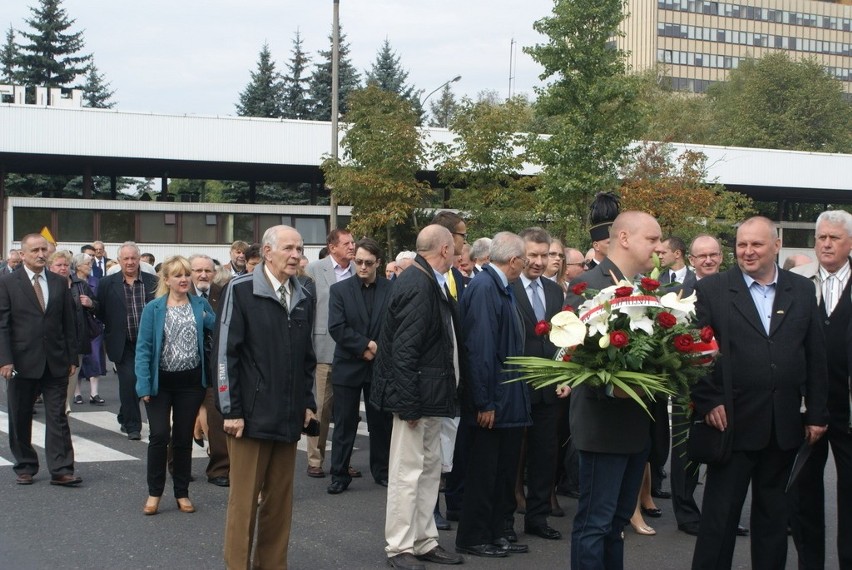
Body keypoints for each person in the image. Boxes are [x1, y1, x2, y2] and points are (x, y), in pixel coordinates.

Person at [691, 216, 828, 570]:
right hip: (730, 425)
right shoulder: (712, 290)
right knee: (719, 521)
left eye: (756, 245)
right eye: (741, 245)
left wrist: (816, 413)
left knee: (771, 521)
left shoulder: (800, 290)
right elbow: (692, 352)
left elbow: (815, 354)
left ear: (777, 246)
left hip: (782, 427)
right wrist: (708, 401)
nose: (747, 252)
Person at [564, 211, 665, 570]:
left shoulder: (645, 287)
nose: (659, 247)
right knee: (595, 524)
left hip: (635, 428)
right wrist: (612, 387)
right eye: (652, 239)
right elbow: (572, 357)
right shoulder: (588, 285)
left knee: (616, 524)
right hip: (602, 428)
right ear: (624, 238)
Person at [215, 225, 318, 569]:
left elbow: (307, 356)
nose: (295, 255)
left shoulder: (303, 291)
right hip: (249, 417)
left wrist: (307, 402)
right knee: (243, 503)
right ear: (268, 252)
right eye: (288, 248)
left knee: (280, 504)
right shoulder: (241, 289)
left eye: (299, 249)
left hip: (288, 415)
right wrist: (230, 410)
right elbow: (225, 353)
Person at [372, 224, 465, 570]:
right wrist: (409, 403)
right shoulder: (418, 284)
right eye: (455, 245)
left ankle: (425, 541)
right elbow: (403, 352)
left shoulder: (428, 280)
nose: (458, 250)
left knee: (428, 471)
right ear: (443, 249)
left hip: (431, 395)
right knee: (407, 473)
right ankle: (399, 547)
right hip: (416, 399)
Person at [455, 232, 532, 559]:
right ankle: (474, 536)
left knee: (501, 473)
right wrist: (484, 402)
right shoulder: (487, 288)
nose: (526, 266)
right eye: (524, 260)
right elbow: (480, 351)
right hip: (495, 402)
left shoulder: (499, 287)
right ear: (513, 261)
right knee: (484, 473)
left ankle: (497, 531)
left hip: (507, 400)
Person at [790, 210, 852, 569]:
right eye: (821, 237)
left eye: (834, 238)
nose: (826, 244)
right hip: (805, 409)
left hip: (848, 409)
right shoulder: (797, 281)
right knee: (803, 496)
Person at [135, 256, 215, 516]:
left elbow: (218, 328)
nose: (184, 279)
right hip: (161, 384)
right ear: (166, 279)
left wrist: (207, 318)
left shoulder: (200, 304)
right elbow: (144, 348)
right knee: (159, 436)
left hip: (191, 384)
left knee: (183, 439)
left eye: (186, 275)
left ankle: (182, 493)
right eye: (178, 275)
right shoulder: (154, 308)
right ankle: (154, 493)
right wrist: (144, 385)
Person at [0, 234, 80, 486]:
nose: (40, 254)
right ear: (22, 254)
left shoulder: (58, 282)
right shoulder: (8, 283)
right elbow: (3, 324)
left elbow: (68, 322)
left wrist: (71, 356)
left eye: (43, 249)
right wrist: (5, 359)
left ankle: (61, 468)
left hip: (55, 360)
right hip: (21, 362)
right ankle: (25, 465)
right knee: (20, 415)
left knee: (57, 416)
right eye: (34, 250)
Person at [511, 228, 569, 543]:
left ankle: (537, 518)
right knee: (510, 457)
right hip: (517, 386)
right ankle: (506, 521)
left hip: (549, 389)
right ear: (520, 255)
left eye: (543, 255)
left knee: (545, 456)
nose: (538, 261)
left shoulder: (555, 291)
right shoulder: (507, 287)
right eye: (532, 255)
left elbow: (561, 338)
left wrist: (563, 376)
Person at [327, 238, 393, 494]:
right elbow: (337, 327)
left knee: (381, 423)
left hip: (379, 367)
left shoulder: (391, 289)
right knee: (344, 423)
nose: (362, 267)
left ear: (378, 262)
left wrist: (377, 349)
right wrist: (365, 345)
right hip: (349, 365)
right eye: (358, 262)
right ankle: (339, 474)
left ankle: (382, 471)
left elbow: (395, 326)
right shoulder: (340, 290)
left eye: (368, 262)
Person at [304, 229, 356, 478]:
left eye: (353, 242)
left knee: (348, 413)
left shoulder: (358, 269)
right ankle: (315, 460)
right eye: (346, 243)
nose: (352, 246)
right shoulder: (315, 270)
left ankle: (343, 461)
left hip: (352, 351)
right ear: (332, 246)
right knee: (320, 409)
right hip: (323, 349)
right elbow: (307, 310)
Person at [97, 242, 158, 440]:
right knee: (129, 382)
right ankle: (133, 426)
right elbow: (101, 312)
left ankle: (125, 415)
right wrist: (91, 306)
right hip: (123, 343)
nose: (130, 262)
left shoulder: (153, 281)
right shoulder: (107, 283)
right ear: (119, 261)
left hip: (149, 343)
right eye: (126, 259)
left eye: (133, 258)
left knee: (150, 382)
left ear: (139, 259)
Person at [187, 254, 229, 487]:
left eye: (208, 270)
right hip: (186, 369)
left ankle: (219, 470)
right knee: (181, 421)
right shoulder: (180, 293)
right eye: (198, 270)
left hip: (214, 367)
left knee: (217, 417)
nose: (203, 275)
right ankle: (178, 467)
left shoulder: (222, 293)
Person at [48, 251, 97, 414]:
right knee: (55, 378)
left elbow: (97, 305)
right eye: (59, 265)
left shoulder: (79, 284)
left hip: (77, 339)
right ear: (50, 267)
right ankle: (57, 407)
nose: (63, 268)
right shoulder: (46, 285)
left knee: (72, 377)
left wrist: (90, 303)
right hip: (53, 341)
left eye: (66, 265)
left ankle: (65, 407)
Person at [70, 252, 105, 406]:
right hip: (77, 327)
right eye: (87, 264)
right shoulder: (70, 282)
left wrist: (91, 303)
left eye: (91, 264)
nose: (90, 267)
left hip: (93, 326)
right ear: (78, 266)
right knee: (77, 359)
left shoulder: (96, 281)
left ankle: (94, 393)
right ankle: (77, 393)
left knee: (95, 358)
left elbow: (100, 303)